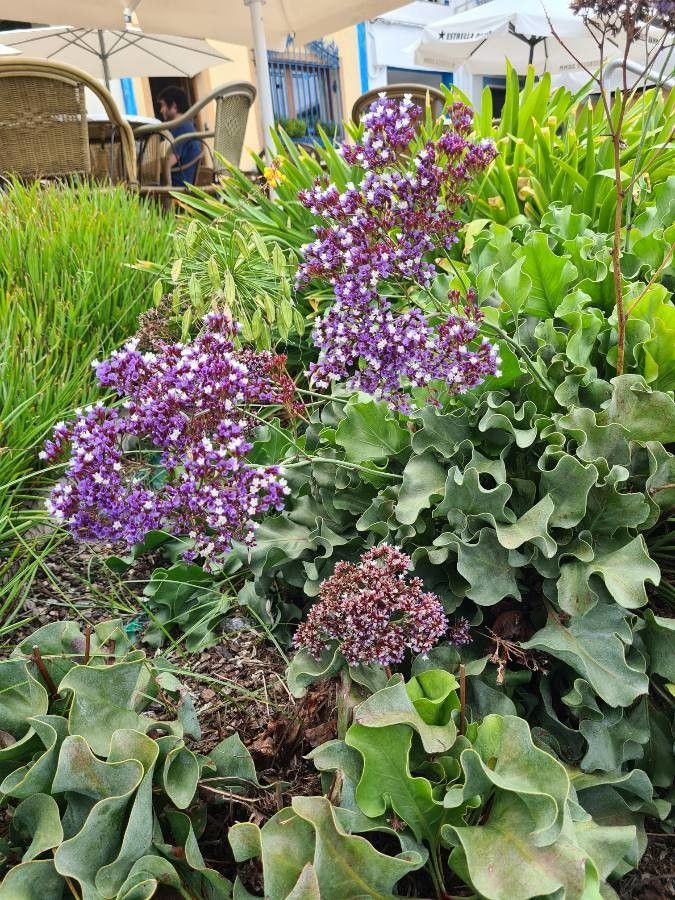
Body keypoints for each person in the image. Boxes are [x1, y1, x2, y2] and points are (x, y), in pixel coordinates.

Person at [157, 85, 202, 188]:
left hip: (177, 183)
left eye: (162, 105)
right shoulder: (188, 125)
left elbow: (168, 163)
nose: (161, 110)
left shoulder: (181, 127)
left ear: (173, 106)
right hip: (186, 182)